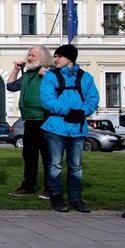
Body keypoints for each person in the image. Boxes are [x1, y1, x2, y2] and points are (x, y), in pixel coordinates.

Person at [40, 44, 99, 213]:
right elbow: (47, 100)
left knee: (75, 166)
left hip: (77, 128)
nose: (55, 59)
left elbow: (93, 98)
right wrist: (69, 111)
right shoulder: (50, 77)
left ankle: (75, 198)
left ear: (70, 58)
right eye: (55, 56)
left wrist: (82, 112)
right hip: (56, 127)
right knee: (55, 165)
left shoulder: (85, 77)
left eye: (58, 56)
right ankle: (56, 196)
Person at [6, 45, 52, 198]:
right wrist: (16, 69)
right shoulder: (28, 74)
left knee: (48, 156)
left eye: (32, 55)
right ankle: (28, 186)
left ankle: (50, 187)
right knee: (29, 155)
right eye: (29, 55)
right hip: (30, 120)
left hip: (45, 119)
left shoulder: (49, 72)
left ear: (43, 58)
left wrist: (47, 74)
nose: (29, 58)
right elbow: (11, 86)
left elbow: (60, 84)